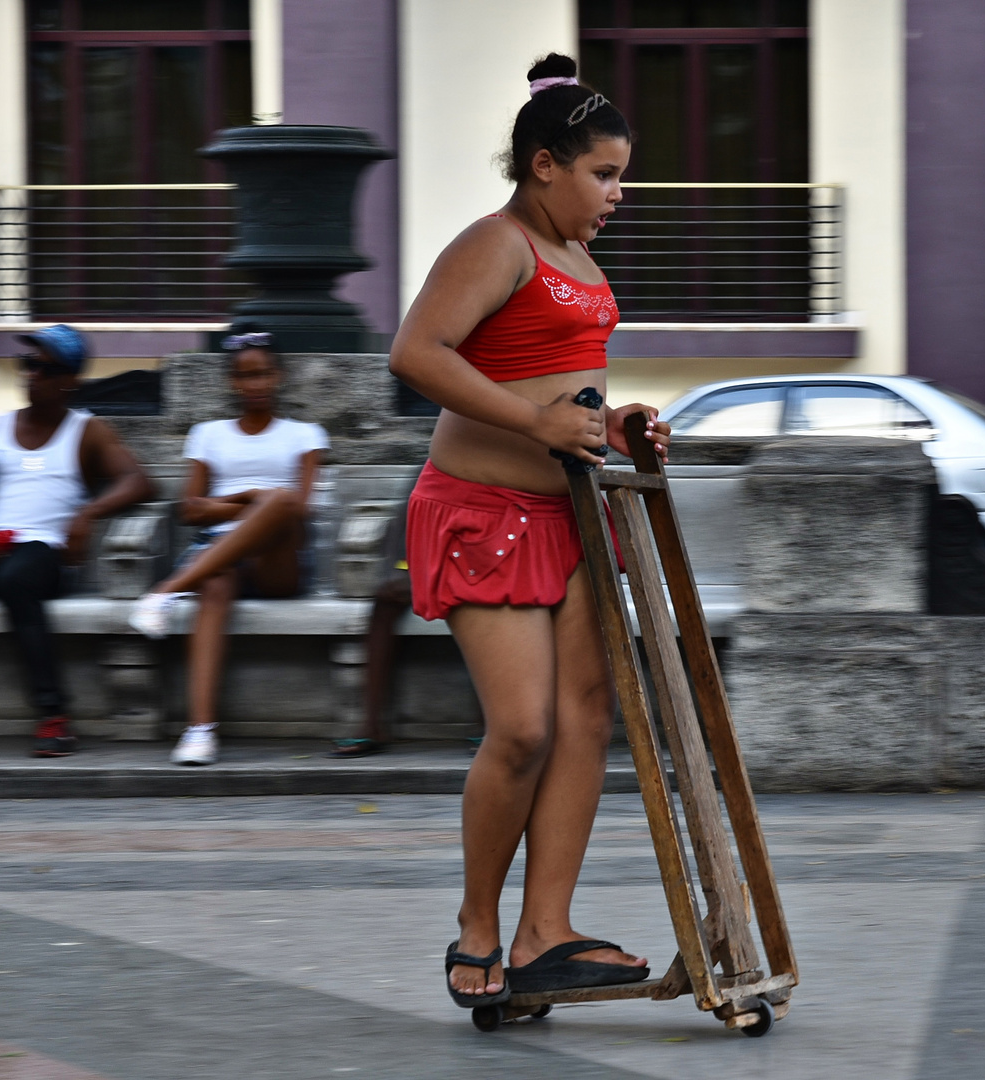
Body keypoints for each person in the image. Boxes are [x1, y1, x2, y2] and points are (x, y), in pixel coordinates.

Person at [388, 53, 670, 1012]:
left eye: (620, 177)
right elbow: (415, 353)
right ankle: (478, 928)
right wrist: (536, 423)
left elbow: (562, 381)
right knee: (521, 729)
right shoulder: (497, 241)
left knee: (587, 724)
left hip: (573, 510)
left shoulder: (578, 260)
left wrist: (610, 421)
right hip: (483, 514)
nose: (615, 195)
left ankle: (546, 933)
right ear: (543, 164)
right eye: (603, 174)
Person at [128, 331, 329, 767]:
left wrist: (245, 500)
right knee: (216, 581)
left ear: (279, 376)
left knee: (282, 502)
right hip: (219, 553)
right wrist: (254, 498)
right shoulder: (208, 435)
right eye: (244, 376)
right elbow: (189, 510)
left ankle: (164, 591)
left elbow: (302, 507)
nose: (254, 384)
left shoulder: (305, 434)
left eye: (262, 374)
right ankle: (200, 731)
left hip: (280, 558)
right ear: (231, 382)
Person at [0, 325, 153, 756]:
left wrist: (88, 512)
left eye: (44, 368)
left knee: (13, 580)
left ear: (70, 381)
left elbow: (139, 481)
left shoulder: (87, 432)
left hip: (43, 553)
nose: (31, 374)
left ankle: (54, 717)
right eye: (27, 364)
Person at [330, 499, 411, 758]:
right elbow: (408, 516)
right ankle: (372, 725)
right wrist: (404, 568)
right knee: (386, 598)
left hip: (493, 558)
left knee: (491, 601)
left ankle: (491, 726)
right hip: (436, 563)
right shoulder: (442, 464)